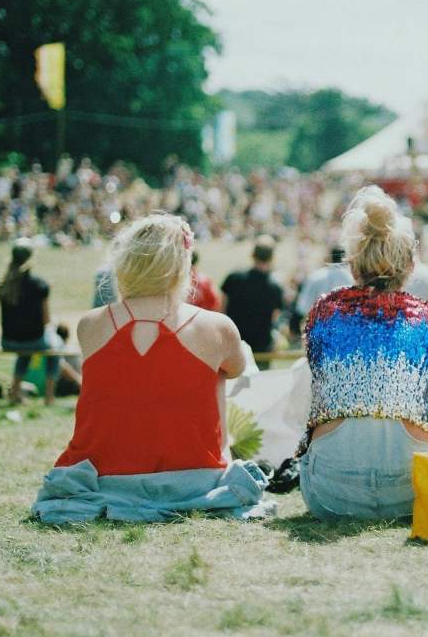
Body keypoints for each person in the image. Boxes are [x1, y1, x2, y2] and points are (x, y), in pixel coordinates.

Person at [33, 214, 267, 523]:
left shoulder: (90, 325)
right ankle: (217, 456)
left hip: (105, 476)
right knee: (220, 368)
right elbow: (237, 369)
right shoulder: (216, 326)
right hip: (195, 477)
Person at [299, 186, 428, 519]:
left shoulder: (324, 311)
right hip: (412, 490)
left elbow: (316, 363)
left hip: (330, 491)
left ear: (352, 262)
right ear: (410, 265)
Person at [0, 239, 60, 405]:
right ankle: (49, 396)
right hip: (33, 340)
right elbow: (46, 320)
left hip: (8, 341)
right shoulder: (40, 285)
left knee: (26, 348)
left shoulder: (3, 284)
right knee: (56, 347)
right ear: (31, 258)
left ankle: (15, 392)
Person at [221, 235, 284, 366]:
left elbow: (222, 309)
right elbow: (275, 317)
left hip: (234, 345)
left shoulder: (234, 278)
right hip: (262, 349)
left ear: (252, 254)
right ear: (272, 258)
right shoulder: (275, 288)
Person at [294, 245, 353, 318]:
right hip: (345, 324)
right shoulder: (351, 279)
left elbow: (303, 308)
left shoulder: (315, 277)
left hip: (317, 324)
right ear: (345, 259)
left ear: (329, 258)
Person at [53, 323, 83, 397]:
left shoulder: (53, 349)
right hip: (72, 382)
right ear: (68, 335)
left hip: (62, 383)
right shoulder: (71, 350)